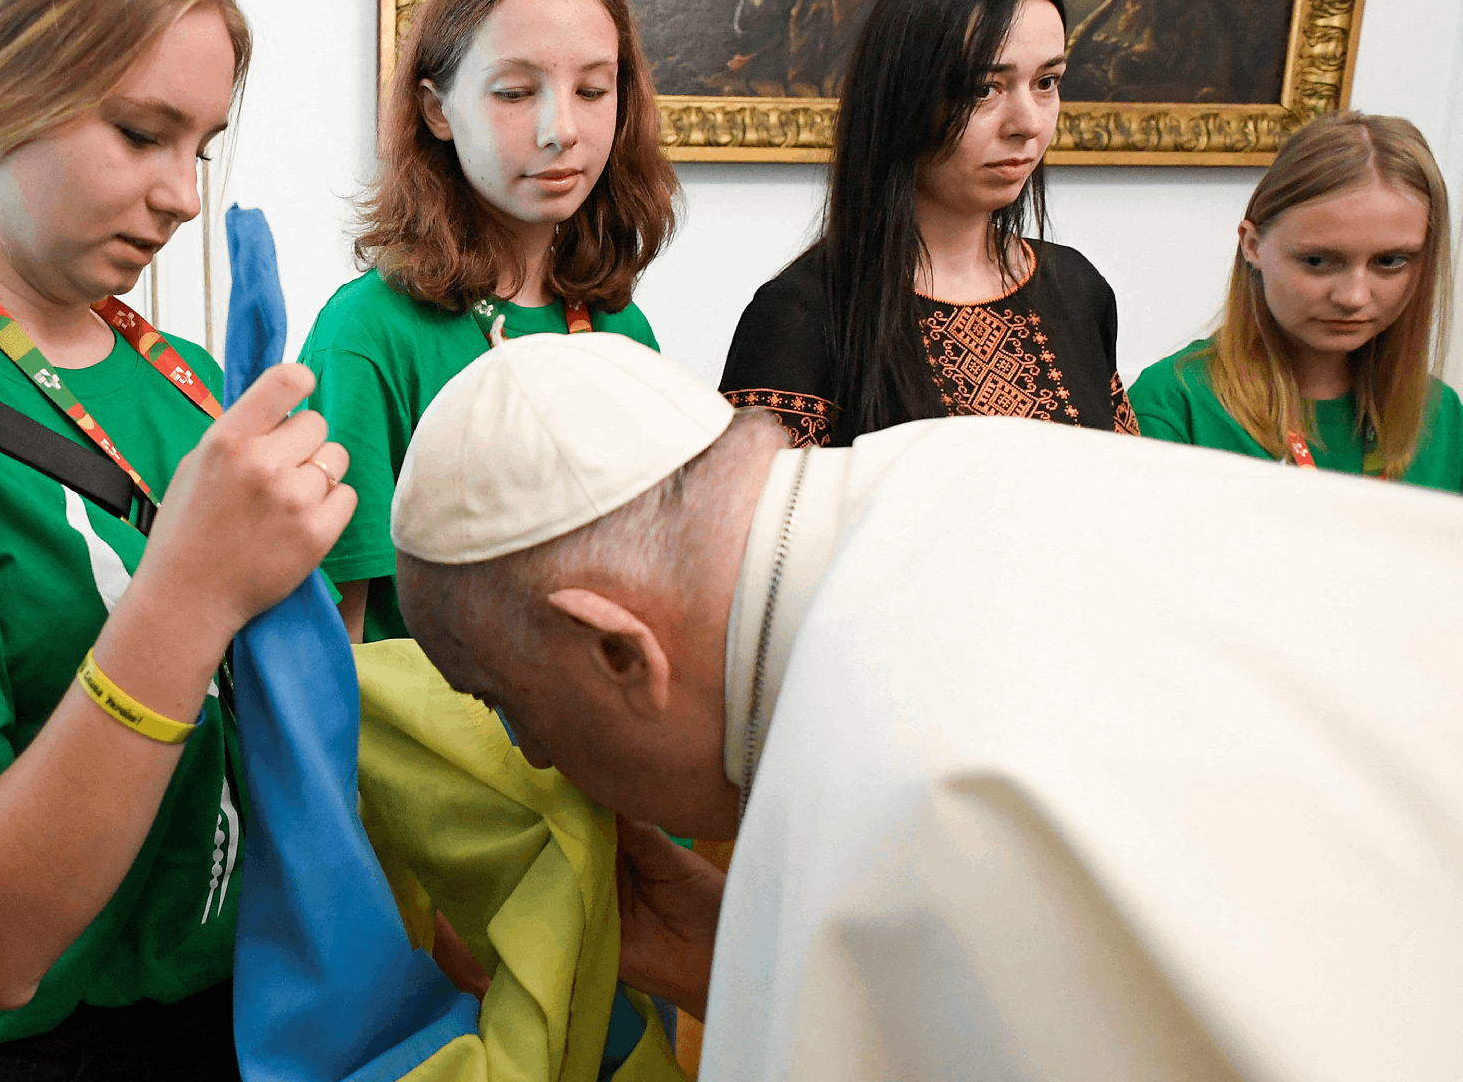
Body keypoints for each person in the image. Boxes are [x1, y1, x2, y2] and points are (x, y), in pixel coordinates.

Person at [390, 331, 1463, 1082]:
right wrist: (746, 953)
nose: (530, 756)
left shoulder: (906, 791)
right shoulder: (957, 461)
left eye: (508, 705)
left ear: (617, 648)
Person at [0, 0, 354, 1078]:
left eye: (202, 145)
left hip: (252, 1003)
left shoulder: (183, 379)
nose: (185, 194)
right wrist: (187, 590)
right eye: (142, 134)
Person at [298, 0, 677, 648]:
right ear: (438, 110)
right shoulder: (370, 335)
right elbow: (336, 651)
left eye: (593, 90)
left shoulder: (624, 331)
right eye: (514, 92)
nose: (561, 129)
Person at [721, 0, 1138, 447]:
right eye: (984, 88)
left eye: (1046, 83)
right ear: (902, 97)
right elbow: (762, 520)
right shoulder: (803, 316)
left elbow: (1122, 496)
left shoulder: (1076, 288)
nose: (1027, 123)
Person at [1131, 111, 1463, 491]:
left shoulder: (1440, 412)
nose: (1354, 297)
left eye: (1389, 262)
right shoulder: (1174, 404)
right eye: (1317, 261)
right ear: (1252, 245)